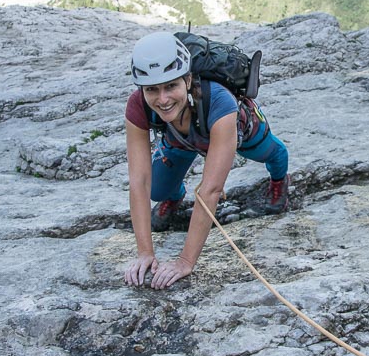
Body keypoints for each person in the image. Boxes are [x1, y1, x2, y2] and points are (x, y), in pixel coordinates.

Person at [123, 31, 290, 289]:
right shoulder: (138, 106)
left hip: (238, 132)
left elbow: (210, 190)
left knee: (273, 153)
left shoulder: (220, 101)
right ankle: (174, 195)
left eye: (171, 86)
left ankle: (279, 182)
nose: (163, 99)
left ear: (188, 79)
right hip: (181, 138)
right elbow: (139, 181)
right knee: (157, 189)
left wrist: (185, 261)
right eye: (152, 90)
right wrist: (145, 253)